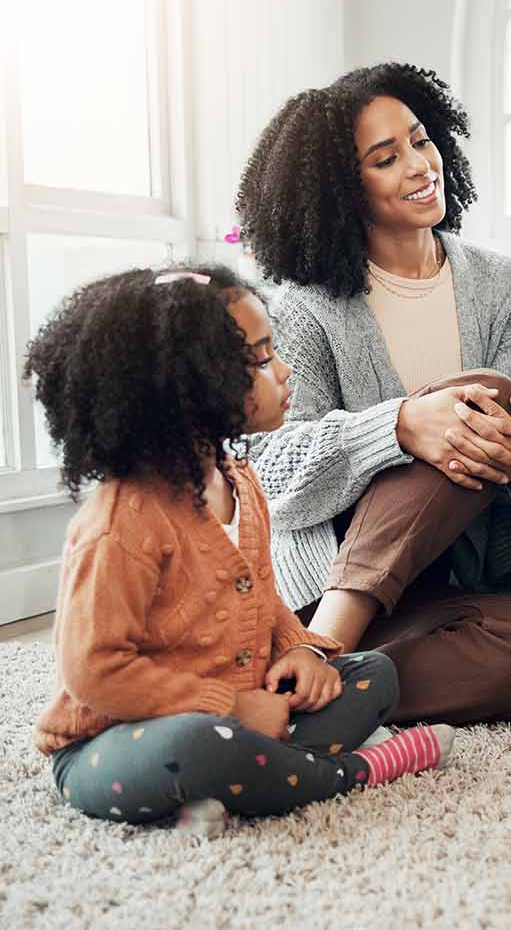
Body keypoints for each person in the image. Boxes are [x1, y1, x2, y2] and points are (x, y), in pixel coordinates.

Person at [27, 264, 453, 838]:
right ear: (180, 389)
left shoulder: (240, 479)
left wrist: (302, 652)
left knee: (372, 674)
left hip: (245, 708)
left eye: (271, 351)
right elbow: (95, 673)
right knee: (196, 744)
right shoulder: (120, 524)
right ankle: (347, 772)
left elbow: (264, 598)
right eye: (258, 361)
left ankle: (240, 784)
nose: (283, 371)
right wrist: (228, 707)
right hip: (114, 740)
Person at [237, 63, 511, 726]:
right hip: (333, 575)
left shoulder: (502, 283)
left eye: (422, 141)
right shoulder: (306, 310)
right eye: (385, 157)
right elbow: (271, 469)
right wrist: (398, 426)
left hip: (449, 574)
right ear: (343, 188)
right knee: (466, 405)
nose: (421, 165)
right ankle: (327, 642)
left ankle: (325, 689)